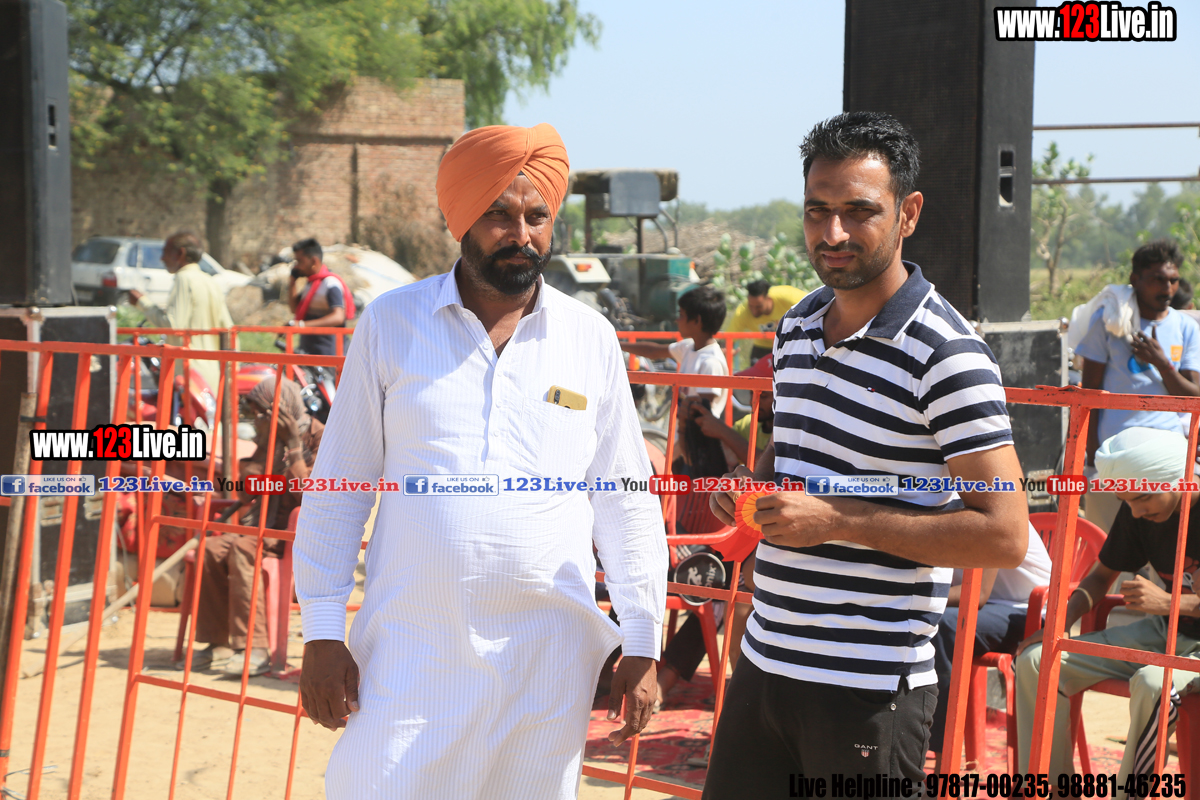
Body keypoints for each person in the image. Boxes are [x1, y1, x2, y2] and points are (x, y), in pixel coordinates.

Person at [293, 123, 667, 800]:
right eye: (498, 214)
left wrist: (642, 636)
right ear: (459, 218)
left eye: (536, 217)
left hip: (548, 662)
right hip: (414, 652)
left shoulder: (589, 338)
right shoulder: (392, 323)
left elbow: (625, 499)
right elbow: (340, 487)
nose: (520, 234)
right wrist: (321, 630)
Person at [701, 111, 1028, 795]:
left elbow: (1004, 534)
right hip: (764, 662)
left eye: (859, 211)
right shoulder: (796, 326)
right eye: (817, 211)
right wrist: (750, 485)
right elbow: (794, 449)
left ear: (908, 213)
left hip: (869, 686)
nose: (833, 233)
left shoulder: (946, 353)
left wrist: (836, 520)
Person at [1014, 427, 1200, 792]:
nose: (1136, 510)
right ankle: (1051, 792)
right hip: (1165, 633)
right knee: (1037, 661)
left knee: (1153, 683)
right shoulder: (1138, 510)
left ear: (1178, 478)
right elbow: (1100, 577)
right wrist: (1058, 624)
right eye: (1125, 500)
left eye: (1142, 498)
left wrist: (1169, 603)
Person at [188, 378, 322, 676]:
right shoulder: (268, 438)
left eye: (261, 413)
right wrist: (269, 448)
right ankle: (219, 642)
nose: (256, 419)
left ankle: (257, 648)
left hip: (297, 532)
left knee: (242, 547)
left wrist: (292, 446)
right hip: (262, 525)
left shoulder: (319, 436)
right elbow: (247, 491)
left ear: (282, 410)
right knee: (211, 548)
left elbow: (308, 495)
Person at [1077, 239, 1200, 532]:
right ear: (1135, 279)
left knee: (1165, 548)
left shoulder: (1185, 327)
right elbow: (1088, 396)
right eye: (1157, 279)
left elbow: (1194, 397)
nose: (1167, 288)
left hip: (1166, 457)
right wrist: (1092, 460)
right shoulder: (1109, 322)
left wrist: (1162, 363)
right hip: (1114, 455)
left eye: (1173, 280)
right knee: (1107, 544)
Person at [926, 524, 1051, 755]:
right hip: (986, 609)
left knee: (941, 625)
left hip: (1030, 611)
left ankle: (941, 756)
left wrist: (908, 597)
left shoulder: (990, 514)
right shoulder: (932, 514)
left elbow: (978, 594)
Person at [130, 230, 233, 393]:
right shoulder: (209, 281)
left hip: (189, 372)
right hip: (213, 372)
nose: (162, 258)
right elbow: (229, 329)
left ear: (180, 253)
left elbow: (172, 325)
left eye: (165, 252)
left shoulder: (184, 279)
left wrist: (142, 302)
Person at [620, 285, 730, 418]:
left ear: (697, 321)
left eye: (681, 315)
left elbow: (702, 414)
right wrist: (617, 344)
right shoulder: (689, 347)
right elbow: (653, 351)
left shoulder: (710, 363)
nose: (677, 320)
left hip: (693, 430)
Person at [287, 238, 355, 356]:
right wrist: (292, 282)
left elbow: (338, 317)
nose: (297, 266)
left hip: (329, 353)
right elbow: (295, 309)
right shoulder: (311, 284)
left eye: (300, 261)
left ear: (314, 261)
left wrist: (302, 325)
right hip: (310, 350)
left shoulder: (330, 284)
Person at [725, 279, 806, 363]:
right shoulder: (742, 312)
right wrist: (726, 351)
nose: (754, 311)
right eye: (751, 306)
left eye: (758, 307)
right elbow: (728, 339)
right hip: (763, 347)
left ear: (768, 299)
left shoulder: (789, 297)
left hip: (791, 345)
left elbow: (813, 307)